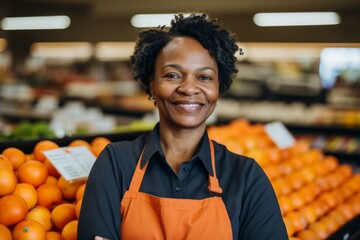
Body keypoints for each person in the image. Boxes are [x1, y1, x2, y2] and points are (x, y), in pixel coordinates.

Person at [78, 13, 288, 240]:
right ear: (153, 85)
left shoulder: (246, 177)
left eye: (205, 77)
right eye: (173, 75)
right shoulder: (115, 165)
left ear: (219, 87)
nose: (189, 88)